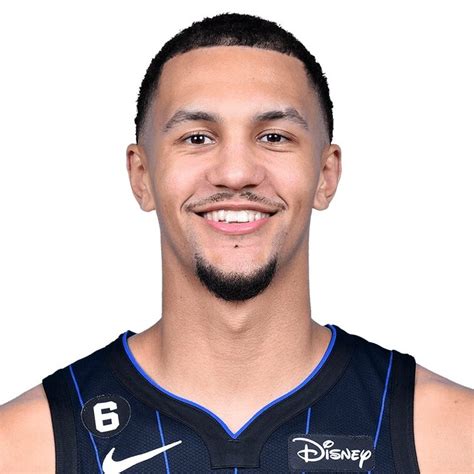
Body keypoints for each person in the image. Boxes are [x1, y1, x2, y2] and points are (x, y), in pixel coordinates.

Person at [0, 12, 472, 473]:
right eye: (197, 138)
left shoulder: (453, 437)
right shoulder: (22, 447)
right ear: (141, 177)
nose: (236, 172)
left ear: (326, 175)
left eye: (274, 136)